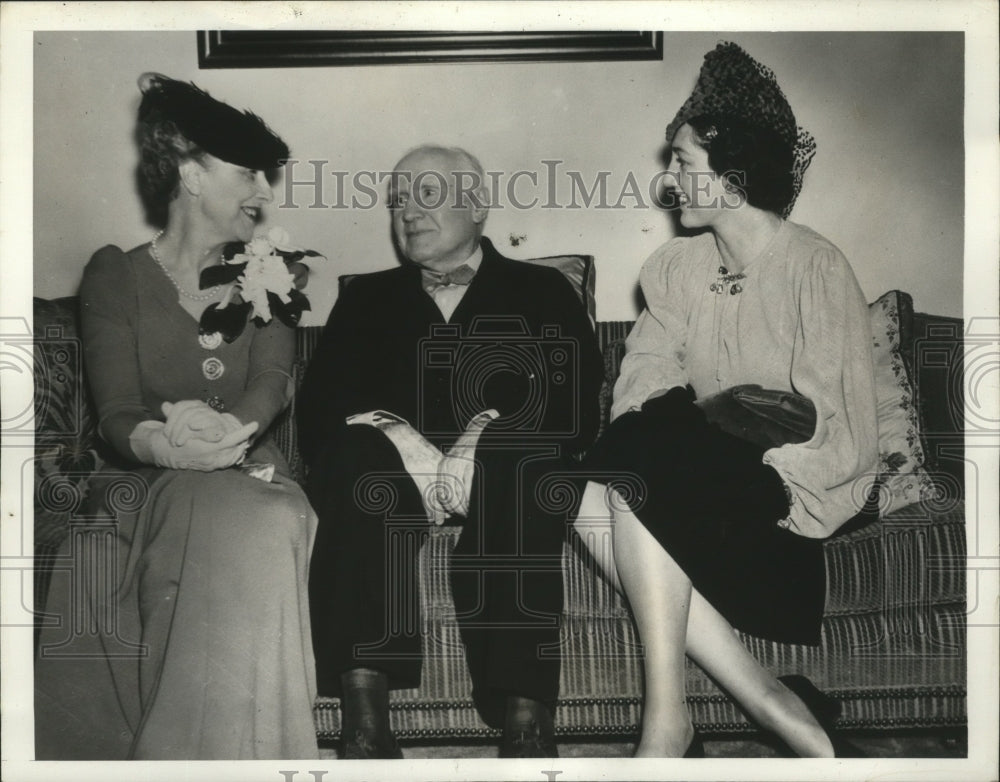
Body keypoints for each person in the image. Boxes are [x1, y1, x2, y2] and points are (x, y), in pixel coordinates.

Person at [572, 42, 879, 757]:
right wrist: (688, 438)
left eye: (682, 161)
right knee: (585, 487)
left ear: (731, 172)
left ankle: (667, 721)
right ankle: (762, 698)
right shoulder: (678, 270)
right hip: (692, 495)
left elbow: (842, 438)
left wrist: (722, 456)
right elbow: (643, 385)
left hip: (781, 510)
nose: (668, 179)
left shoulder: (813, 265)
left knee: (638, 465)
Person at [34, 74, 319, 760]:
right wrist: (168, 447)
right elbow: (117, 411)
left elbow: (273, 382)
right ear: (191, 173)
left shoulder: (273, 272)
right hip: (147, 481)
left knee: (273, 515)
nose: (264, 192)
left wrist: (228, 436)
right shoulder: (114, 274)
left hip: (245, 469)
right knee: (211, 520)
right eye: (248, 171)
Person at [299, 145, 603, 758]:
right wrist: (394, 432)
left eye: (427, 194)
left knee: (522, 456)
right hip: (388, 477)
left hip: (506, 474)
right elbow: (318, 414)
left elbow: (575, 403)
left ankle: (526, 720)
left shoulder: (540, 288)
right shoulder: (366, 299)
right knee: (355, 458)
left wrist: (483, 433)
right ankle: (363, 726)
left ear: (479, 205)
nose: (407, 212)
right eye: (398, 200)